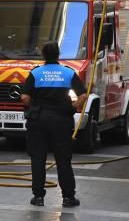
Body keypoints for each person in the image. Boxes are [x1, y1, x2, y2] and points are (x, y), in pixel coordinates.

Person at [20, 41, 87, 208]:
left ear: (43, 55)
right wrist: (73, 106)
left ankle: (38, 197)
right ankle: (68, 197)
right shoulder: (68, 72)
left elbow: (24, 98)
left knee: (38, 158)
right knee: (63, 159)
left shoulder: (35, 73)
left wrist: (34, 105)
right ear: (58, 55)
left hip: (38, 120)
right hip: (61, 120)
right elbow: (83, 95)